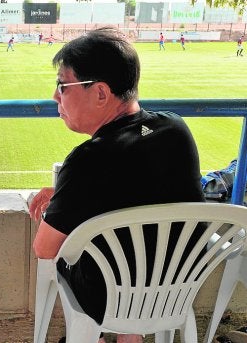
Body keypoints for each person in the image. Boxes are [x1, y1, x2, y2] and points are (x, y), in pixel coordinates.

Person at [29, 27, 204, 343]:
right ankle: (130, 337)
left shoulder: (87, 160)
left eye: (62, 86)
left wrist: (57, 208)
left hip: (111, 299)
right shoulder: (175, 128)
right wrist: (69, 195)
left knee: (70, 257)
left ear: (99, 93)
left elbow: (44, 248)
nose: (55, 96)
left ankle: (94, 336)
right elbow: (136, 180)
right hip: (176, 291)